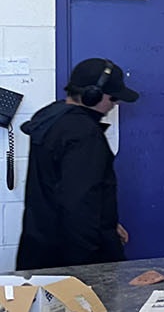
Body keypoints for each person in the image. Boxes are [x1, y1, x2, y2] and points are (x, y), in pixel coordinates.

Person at [17, 58, 139, 270]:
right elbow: (79, 203)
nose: (114, 104)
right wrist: (91, 269)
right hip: (73, 259)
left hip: (42, 248)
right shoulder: (83, 135)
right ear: (93, 96)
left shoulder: (51, 116)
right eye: (113, 97)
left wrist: (107, 222)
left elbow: (62, 188)